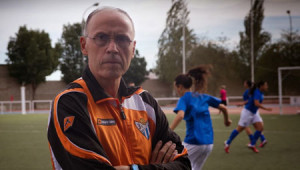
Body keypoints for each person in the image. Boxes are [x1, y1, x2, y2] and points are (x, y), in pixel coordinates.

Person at [47, 7, 191, 170]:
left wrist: (133, 169)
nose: (113, 48)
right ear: (84, 45)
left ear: (133, 49)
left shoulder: (145, 102)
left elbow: (184, 164)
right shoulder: (71, 102)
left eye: (122, 39)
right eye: (101, 37)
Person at [170, 66, 232, 170]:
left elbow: (180, 115)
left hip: (193, 141)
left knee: (173, 163)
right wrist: (227, 120)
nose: (176, 90)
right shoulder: (203, 96)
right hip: (208, 143)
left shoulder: (184, 98)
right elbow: (223, 108)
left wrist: (168, 131)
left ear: (179, 87)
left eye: (175, 87)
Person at [225, 81, 272, 153]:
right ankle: (227, 143)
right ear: (261, 86)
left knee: (260, 128)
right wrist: (266, 109)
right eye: (265, 85)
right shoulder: (256, 92)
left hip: (254, 113)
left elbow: (250, 100)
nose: (267, 86)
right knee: (239, 129)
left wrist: (242, 103)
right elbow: (256, 103)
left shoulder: (260, 92)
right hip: (247, 113)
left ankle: (252, 144)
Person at [238, 80, 267, 147]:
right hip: (255, 110)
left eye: (244, 83)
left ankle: (252, 141)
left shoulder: (247, 92)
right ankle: (262, 139)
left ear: (247, 84)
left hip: (249, 111)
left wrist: (242, 104)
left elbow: (248, 101)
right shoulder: (257, 91)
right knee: (258, 127)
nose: (243, 84)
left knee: (246, 126)